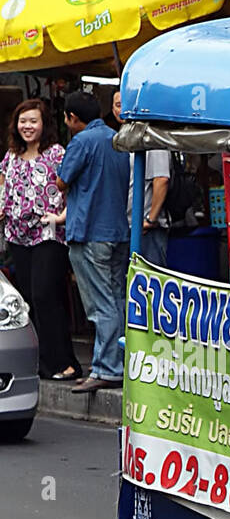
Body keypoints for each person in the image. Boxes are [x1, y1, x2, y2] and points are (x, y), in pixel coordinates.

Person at [0, 99, 80, 380]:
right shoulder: (11, 155)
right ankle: (42, 363)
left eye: (33, 121)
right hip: (17, 236)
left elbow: (76, 189)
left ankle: (66, 363)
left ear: (44, 124)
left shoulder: (56, 154)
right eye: (23, 121)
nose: (27, 127)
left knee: (47, 295)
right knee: (28, 299)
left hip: (48, 234)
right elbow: (3, 185)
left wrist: (62, 216)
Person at [57, 91, 130, 393]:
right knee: (116, 300)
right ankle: (115, 362)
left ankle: (106, 368)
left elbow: (62, 180)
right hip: (117, 230)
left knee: (101, 306)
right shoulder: (118, 139)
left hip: (89, 231)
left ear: (73, 118)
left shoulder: (82, 141)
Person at [113, 89, 170, 267]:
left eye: (125, 104)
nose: (121, 109)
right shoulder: (123, 138)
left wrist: (150, 220)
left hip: (147, 229)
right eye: (117, 105)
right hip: (128, 226)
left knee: (149, 283)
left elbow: (161, 179)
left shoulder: (151, 137)